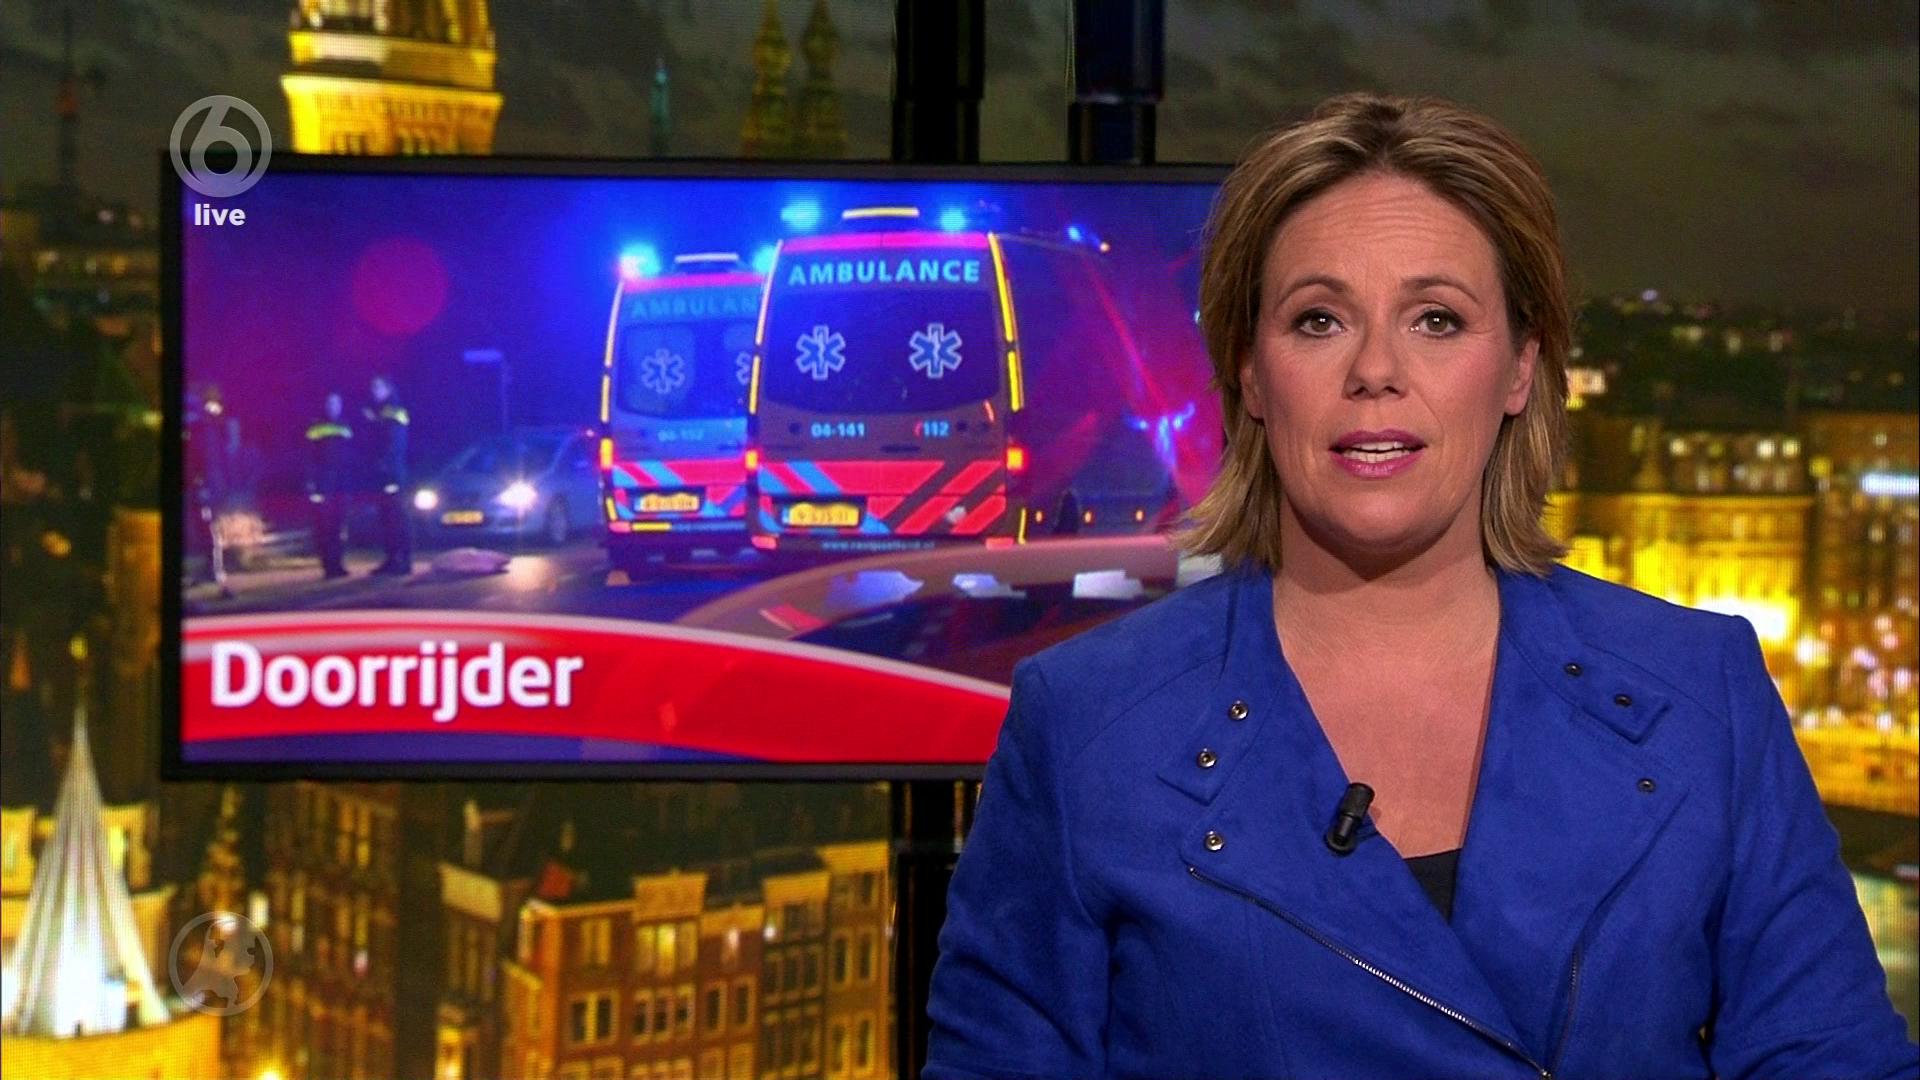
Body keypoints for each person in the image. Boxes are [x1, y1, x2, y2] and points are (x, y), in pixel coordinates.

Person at [923, 93, 1918, 1079]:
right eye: (1319, 320)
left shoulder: (1704, 692)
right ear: (1251, 375)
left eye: (1437, 319)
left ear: (1521, 368)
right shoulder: (1084, 727)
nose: (1376, 370)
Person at [363, 375, 412, 575]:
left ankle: (402, 561)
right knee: (386, 518)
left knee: (396, 517)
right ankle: (393, 559)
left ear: (388, 389)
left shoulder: (392, 411)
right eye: (372, 387)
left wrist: (385, 467)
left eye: (378, 387)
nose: (374, 391)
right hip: (384, 473)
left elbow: (392, 443)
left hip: (391, 473)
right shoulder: (382, 411)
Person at [306, 392, 353, 580]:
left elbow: (350, 457)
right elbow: (309, 457)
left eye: (337, 403)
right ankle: (329, 566)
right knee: (325, 528)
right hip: (323, 485)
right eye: (331, 403)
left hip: (342, 485)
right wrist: (312, 483)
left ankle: (339, 564)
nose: (334, 406)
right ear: (325, 405)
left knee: (339, 527)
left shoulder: (345, 426)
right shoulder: (316, 427)